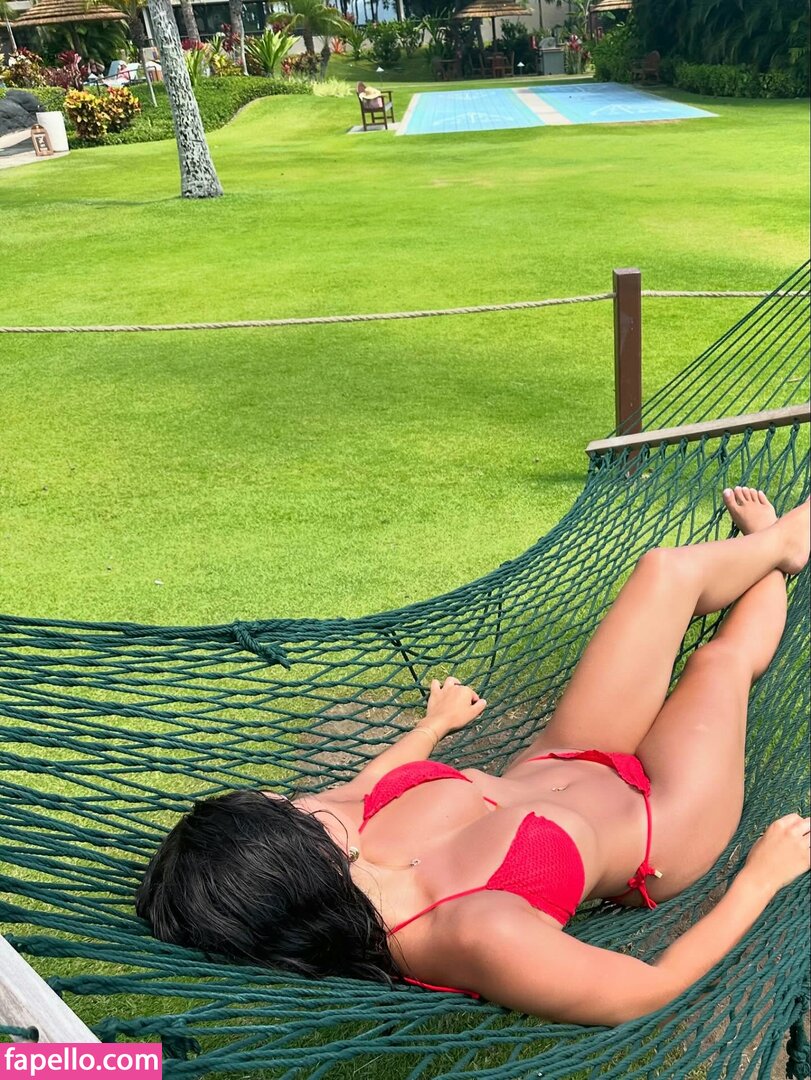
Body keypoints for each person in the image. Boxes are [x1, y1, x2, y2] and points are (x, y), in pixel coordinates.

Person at [136, 488, 811, 1025]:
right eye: (290, 816)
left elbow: (371, 780)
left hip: (566, 753)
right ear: (303, 876)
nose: (302, 803)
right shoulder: (469, 936)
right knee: (717, 663)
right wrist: (759, 879)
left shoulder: (334, 829)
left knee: (664, 571)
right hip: (660, 821)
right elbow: (645, 991)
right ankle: (775, 546)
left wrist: (433, 727)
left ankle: (778, 544)